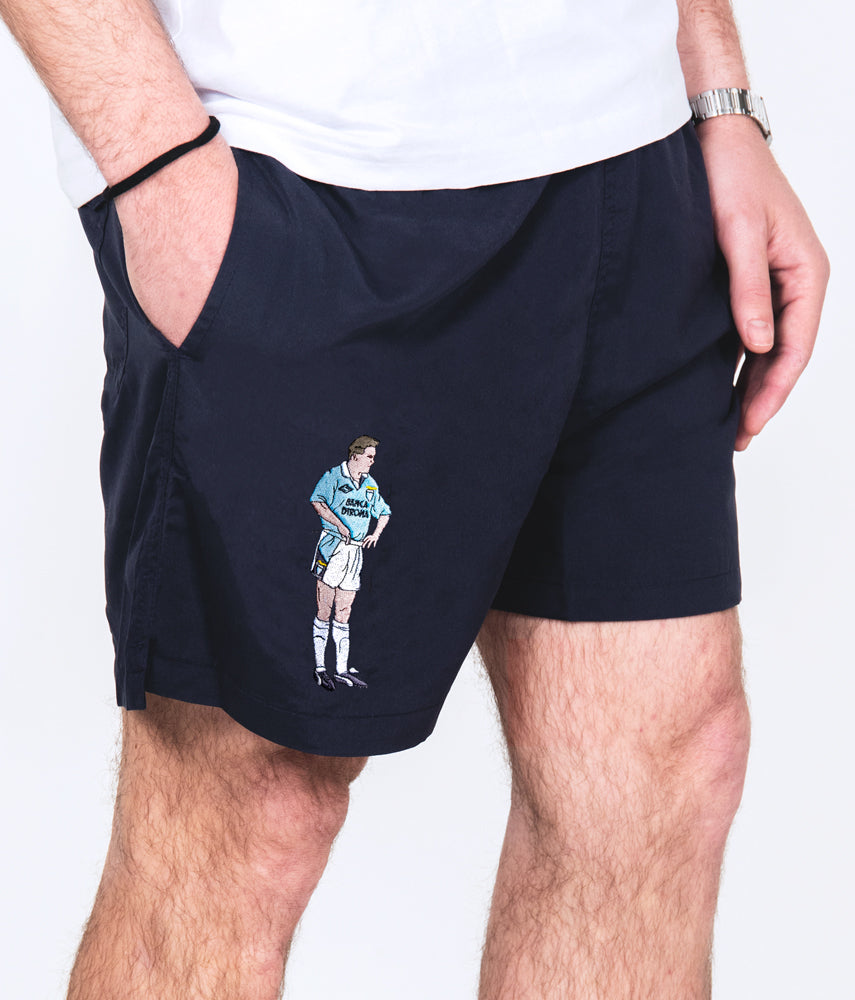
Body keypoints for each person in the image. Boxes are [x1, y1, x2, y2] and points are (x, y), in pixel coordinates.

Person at [0, 1, 829, 998]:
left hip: (635, 157)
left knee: (659, 775)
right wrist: (154, 162)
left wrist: (716, 91)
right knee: (249, 816)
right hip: (305, 168)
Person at [310, 435, 391, 689]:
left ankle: (342, 670)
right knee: (324, 608)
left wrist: (375, 534)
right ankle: (320, 668)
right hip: (332, 547)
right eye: (369, 457)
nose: (372, 461)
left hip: (355, 553)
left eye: (374, 458)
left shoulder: (370, 484)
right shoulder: (334, 476)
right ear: (355, 455)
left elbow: (384, 512)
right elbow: (317, 501)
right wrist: (339, 525)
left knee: (344, 611)